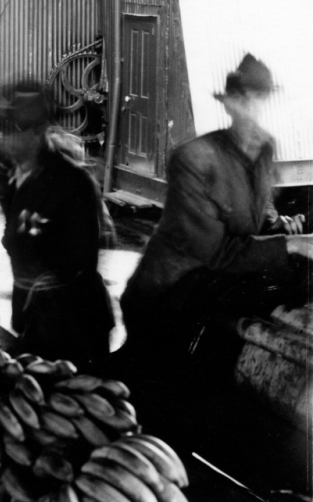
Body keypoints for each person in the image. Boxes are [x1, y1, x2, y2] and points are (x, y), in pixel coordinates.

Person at [120, 54, 311, 369]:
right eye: (245, 100)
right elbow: (213, 252)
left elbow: (259, 209)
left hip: (215, 285)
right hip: (166, 293)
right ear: (229, 104)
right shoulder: (194, 158)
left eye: (262, 99)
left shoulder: (265, 148)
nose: (255, 109)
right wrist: (290, 244)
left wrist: (282, 225)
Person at [0, 79, 114, 370]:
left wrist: (38, 318)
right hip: (34, 319)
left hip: (73, 328)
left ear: (37, 132)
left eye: (12, 130)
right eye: (0, 129)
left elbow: (80, 263)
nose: (3, 138)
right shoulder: (16, 177)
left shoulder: (71, 183)